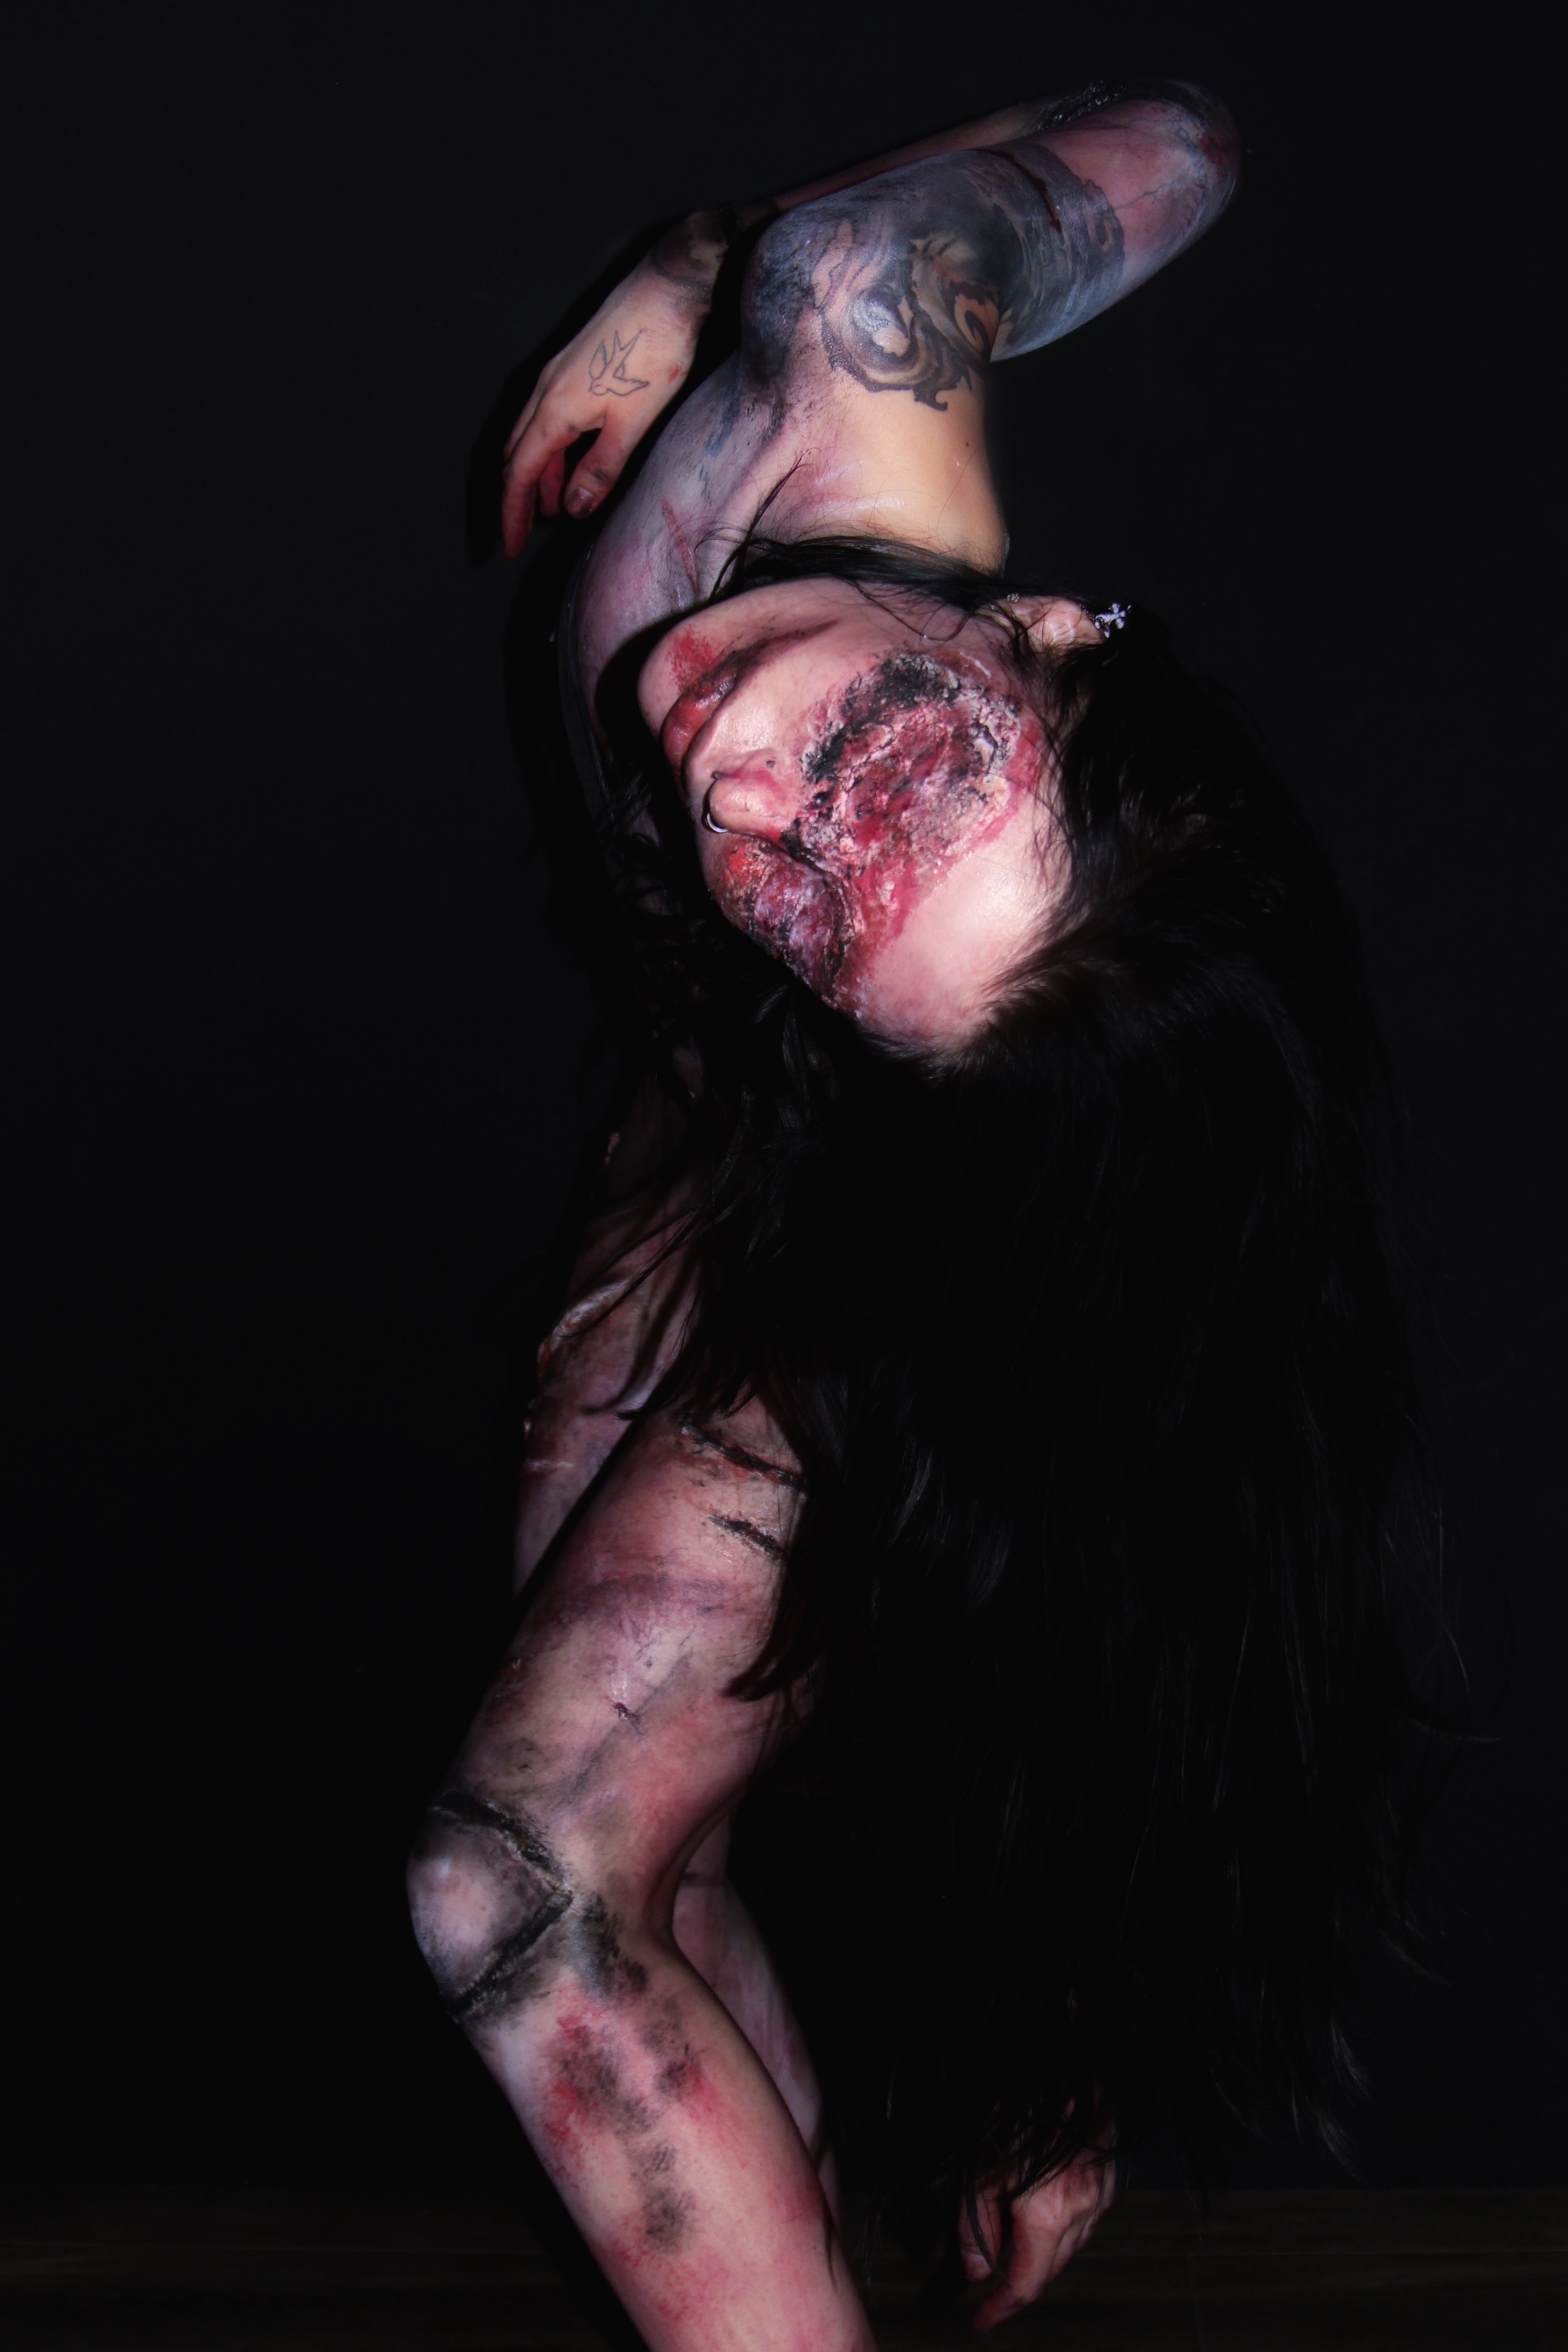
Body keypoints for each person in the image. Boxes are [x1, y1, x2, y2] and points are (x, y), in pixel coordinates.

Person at [409, 82, 1419, 2349]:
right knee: (626, 1860)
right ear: (1049, 630)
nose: (735, 796)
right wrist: (730, 249)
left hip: (824, 1214)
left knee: (525, 1874)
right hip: (714, 1168)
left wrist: (1065, 2023)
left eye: (802, 910)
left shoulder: (930, 1137)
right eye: (871, 768)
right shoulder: (875, 324)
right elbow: (1196, 128)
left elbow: (1100, 1508)